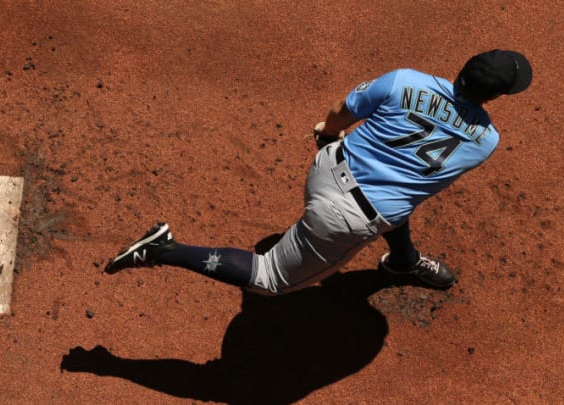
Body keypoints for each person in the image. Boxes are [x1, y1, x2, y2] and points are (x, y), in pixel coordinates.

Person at [104, 49, 533, 295]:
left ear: (462, 67)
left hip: (327, 165)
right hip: (345, 219)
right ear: (496, 97)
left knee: (394, 196)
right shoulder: (486, 141)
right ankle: (163, 249)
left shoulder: (405, 80)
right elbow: (417, 176)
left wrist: (327, 134)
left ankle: (404, 261)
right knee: (269, 279)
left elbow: (340, 113)